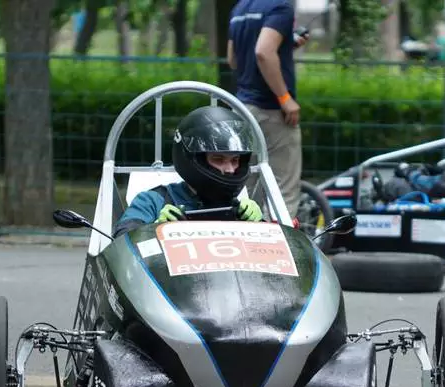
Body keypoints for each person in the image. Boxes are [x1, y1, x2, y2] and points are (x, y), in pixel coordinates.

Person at [114, 106, 264, 237]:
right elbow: (121, 241)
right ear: (195, 160)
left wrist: (261, 227)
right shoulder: (152, 201)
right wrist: (153, 230)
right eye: (219, 159)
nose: (230, 169)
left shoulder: (240, 211)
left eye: (235, 160)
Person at [227, 0, 309, 219]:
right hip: (272, 112)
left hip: (243, 110)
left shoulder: (239, 9)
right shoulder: (280, 7)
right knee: (282, 191)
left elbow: (233, 60)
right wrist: (285, 98)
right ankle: (277, 248)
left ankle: (241, 244)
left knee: (246, 189)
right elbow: (263, 52)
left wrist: (287, 44)